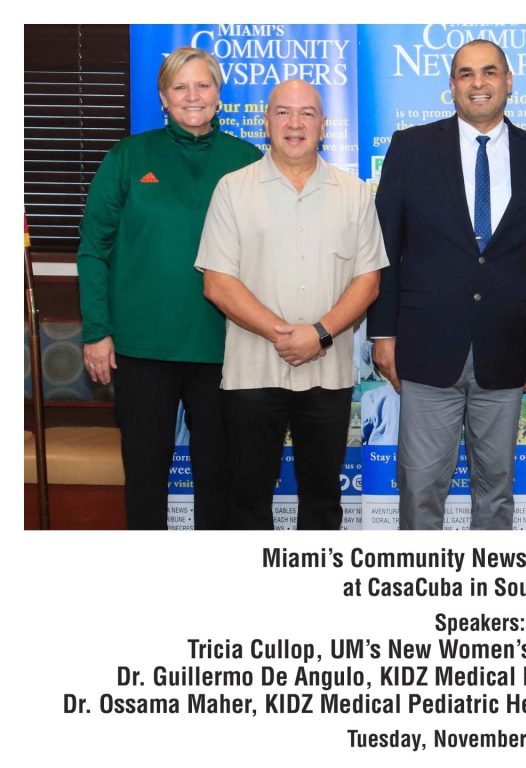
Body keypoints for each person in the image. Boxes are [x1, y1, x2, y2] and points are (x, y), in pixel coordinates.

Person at [366, 40, 526, 530]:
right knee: (419, 489)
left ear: (509, 81)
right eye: (466, 74)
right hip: (425, 347)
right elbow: (385, 246)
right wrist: (383, 332)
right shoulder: (410, 147)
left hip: (507, 350)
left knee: (496, 493)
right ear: (452, 86)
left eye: (490, 72)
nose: (479, 83)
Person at [77, 47, 261, 530]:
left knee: (219, 478)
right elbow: (93, 250)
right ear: (163, 96)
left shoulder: (247, 161)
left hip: (224, 347)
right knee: (144, 476)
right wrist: (97, 331)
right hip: (140, 349)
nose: (192, 96)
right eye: (180, 87)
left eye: (203, 85)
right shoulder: (127, 157)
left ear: (218, 94)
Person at [195, 79, 388, 530]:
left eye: (307, 113)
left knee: (322, 498)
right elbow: (218, 283)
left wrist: (317, 334)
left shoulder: (354, 193)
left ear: (323, 125)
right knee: (247, 497)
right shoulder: (233, 189)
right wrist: (284, 335)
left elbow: (368, 280)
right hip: (253, 370)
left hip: (328, 371)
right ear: (266, 123)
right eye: (283, 112)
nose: (295, 123)